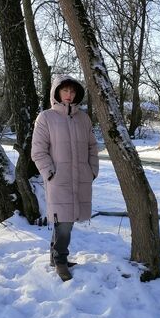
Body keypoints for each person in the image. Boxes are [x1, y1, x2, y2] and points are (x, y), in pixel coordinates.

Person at [31, 74, 99, 282]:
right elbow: (38, 151)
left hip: (80, 178)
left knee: (66, 220)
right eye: (65, 90)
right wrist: (50, 173)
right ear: (56, 92)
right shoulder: (46, 117)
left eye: (72, 91)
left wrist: (92, 170)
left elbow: (92, 147)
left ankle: (55, 258)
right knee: (64, 221)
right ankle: (60, 260)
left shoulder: (84, 118)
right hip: (59, 180)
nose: (69, 95)